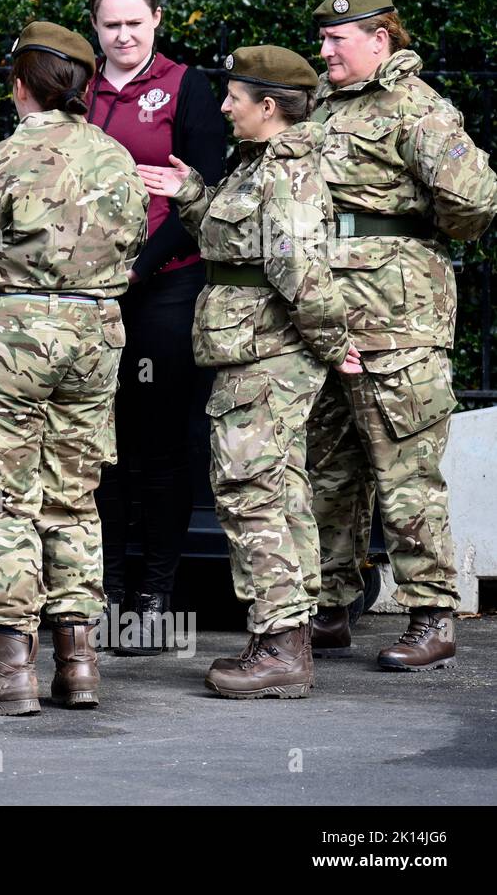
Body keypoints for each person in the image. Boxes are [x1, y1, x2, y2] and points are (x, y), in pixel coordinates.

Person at [0, 22, 149, 714]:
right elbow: (135, 240)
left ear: (21, 85)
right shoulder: (116, 157)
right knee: (74, 496)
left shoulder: (5, 157)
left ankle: (8, 664)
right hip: (95, 332)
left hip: (12, 337)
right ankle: (78, 662)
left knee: (2, 496)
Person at [140, 46, 361, 698]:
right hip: (253, 351)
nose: (225, 105)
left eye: (236, 96)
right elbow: (228, 241)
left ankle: (280, 647)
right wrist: (190, 196)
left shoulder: (285, 171)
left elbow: (298, 270)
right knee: (278, 487)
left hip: (270, 355)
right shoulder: (255, 164)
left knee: (249, 489)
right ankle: (285, 635)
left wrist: (332, 342)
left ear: (269, 107)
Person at [304, 0, 497, 670]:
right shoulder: (326, 103)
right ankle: (328, 610)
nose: (323, 49)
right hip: (328, 319)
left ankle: (432, 615)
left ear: (379, 39)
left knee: (405, 471)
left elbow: (474, 199)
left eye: (337, 39)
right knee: (329, 470)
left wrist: (410, 240)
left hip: (397, 325)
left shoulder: (415, 107)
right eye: (323, 39)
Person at [86, 0, 227, 653]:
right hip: (88, 294)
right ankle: (107, 587)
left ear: (156, 22)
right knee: (99, 443)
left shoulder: (186, 86)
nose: (123, 36)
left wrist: (138, 267)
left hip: (164, 284)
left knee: (162, 443)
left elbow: (203, 194)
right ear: (95, 28)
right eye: (111, 25)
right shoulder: (78, 91)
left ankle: (155, 593)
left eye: (134, 24)